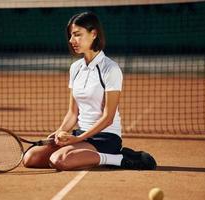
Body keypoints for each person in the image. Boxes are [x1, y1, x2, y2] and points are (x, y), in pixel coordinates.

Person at [23, 11, 156, 171]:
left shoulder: (110, 69)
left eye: (77, 35)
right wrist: (60, 131)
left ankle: (118, 158)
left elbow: (108, 117)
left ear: (94, 34)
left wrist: (77, 139)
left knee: (59, 160)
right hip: (81, 134)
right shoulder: (75, 68)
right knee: (30, 158)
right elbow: (72, 113)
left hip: (106, 137)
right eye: (71, 36)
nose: (72, 40)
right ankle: (82, 153)